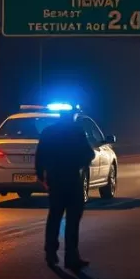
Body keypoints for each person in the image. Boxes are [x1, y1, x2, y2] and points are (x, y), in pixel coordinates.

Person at [36, 110, 95, 270]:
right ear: (72, 117)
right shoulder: (77, 131)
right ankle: (71, 256)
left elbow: (39, 156)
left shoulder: (48, 132)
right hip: (72, 179)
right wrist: (81, 163)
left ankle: (50, 253)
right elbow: (89, 154)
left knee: (54, 216)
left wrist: (42, 176)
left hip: (55, 179)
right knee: (72, 219)